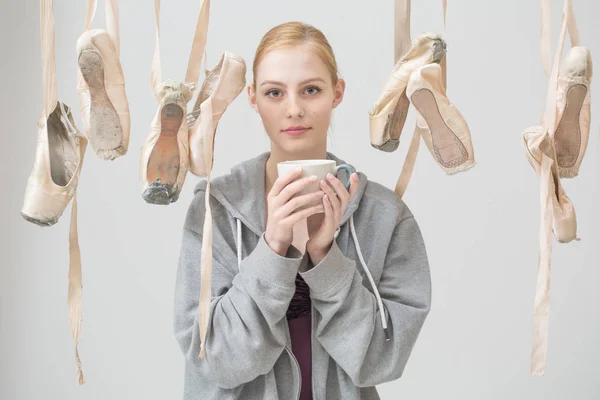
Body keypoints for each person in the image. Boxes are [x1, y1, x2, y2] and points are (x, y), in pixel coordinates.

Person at [173, 21, 432, 400]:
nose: (293, 109)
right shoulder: (215, 211)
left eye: (311, 90)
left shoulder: (385, 216)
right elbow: (216, 360)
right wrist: (274, 248)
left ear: (336, 93)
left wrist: (327, 259)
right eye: (274, 92)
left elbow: (382, 360)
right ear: (253, 98)